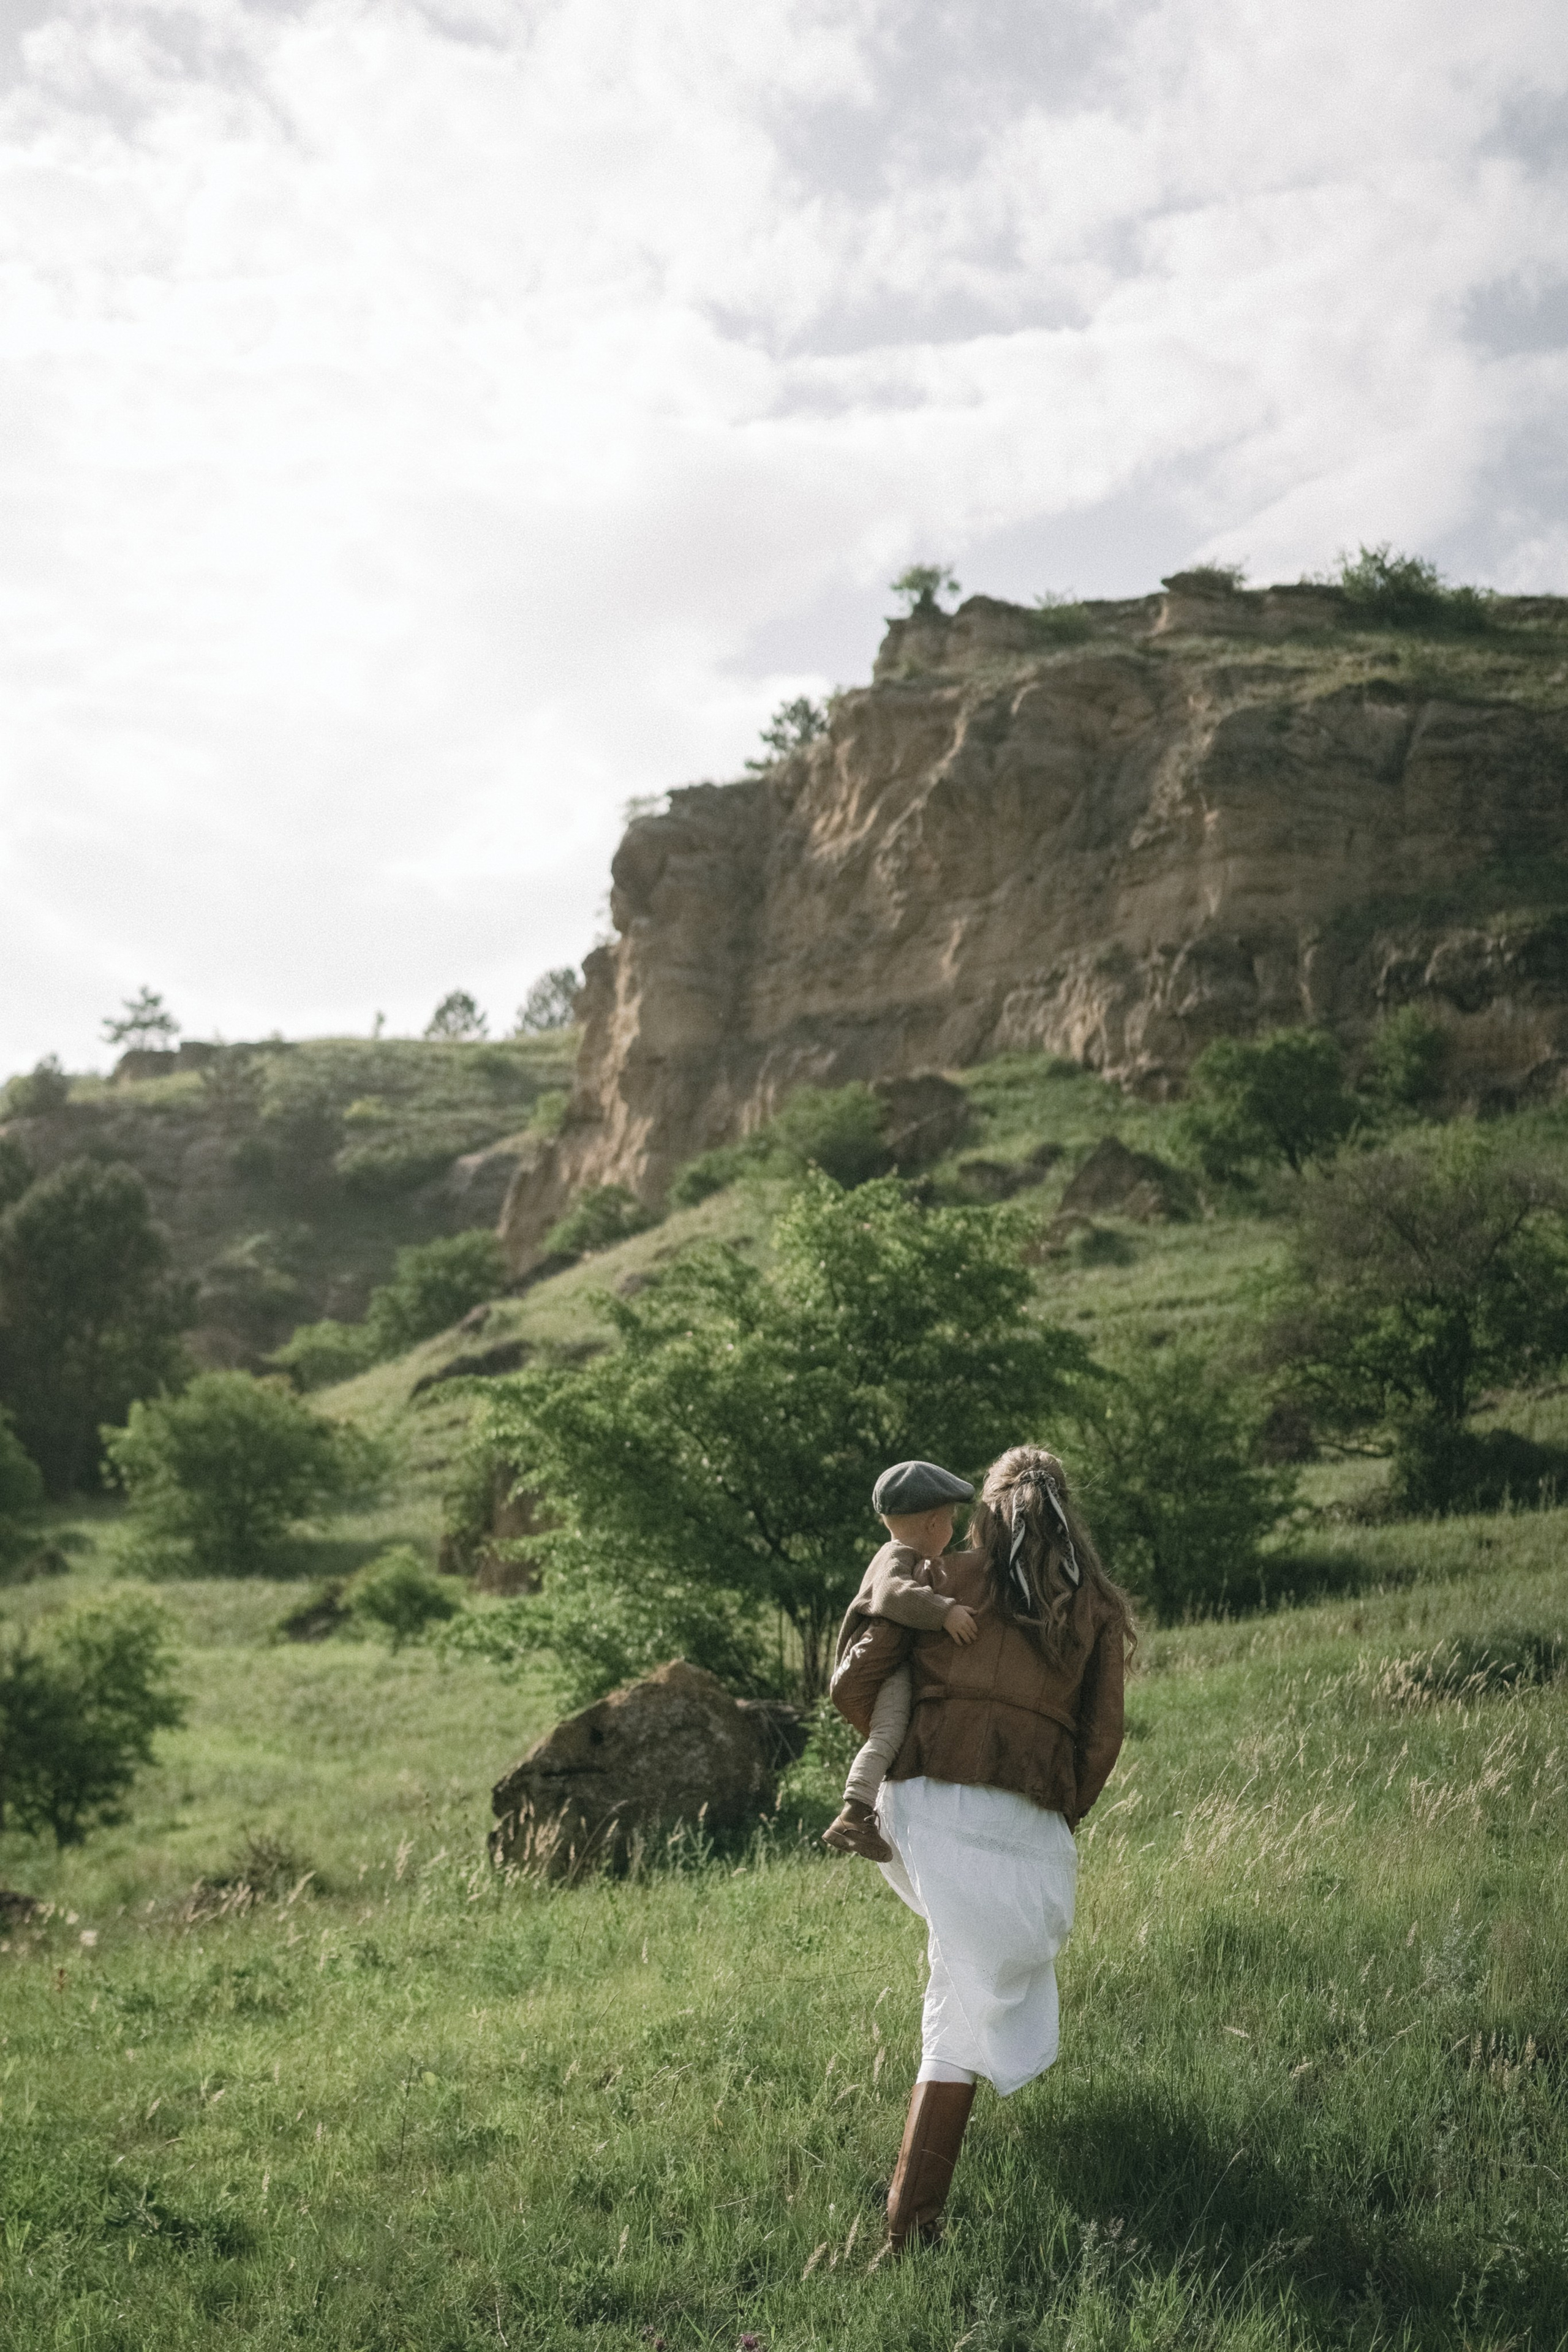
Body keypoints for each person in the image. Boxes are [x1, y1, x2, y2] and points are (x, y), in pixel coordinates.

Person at [831, 1444, 1136, 2259]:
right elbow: (1102, 1737)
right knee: (960, 1998)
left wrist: (904, 1748)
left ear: (986, 1512)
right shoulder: (1096, 1606)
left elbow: (854, 1683)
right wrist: (1053, 1812)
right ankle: (911, 2222)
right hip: (1023, 1819)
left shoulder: (944, 1578)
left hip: (926, 1805)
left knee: (954, 1992)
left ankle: (910, 2220)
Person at [820, 1458, 981, 1861]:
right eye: (951, 1520)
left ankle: (872, 1811)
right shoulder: (896, 1557)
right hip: (885, 1669)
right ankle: (854, 1814)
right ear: (932, 1524)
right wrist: (945, 1612)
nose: (953, 1529)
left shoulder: (900, 1554)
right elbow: (893, 1595)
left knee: (897, 1734)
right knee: (888, 1734)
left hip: (892, 1664)